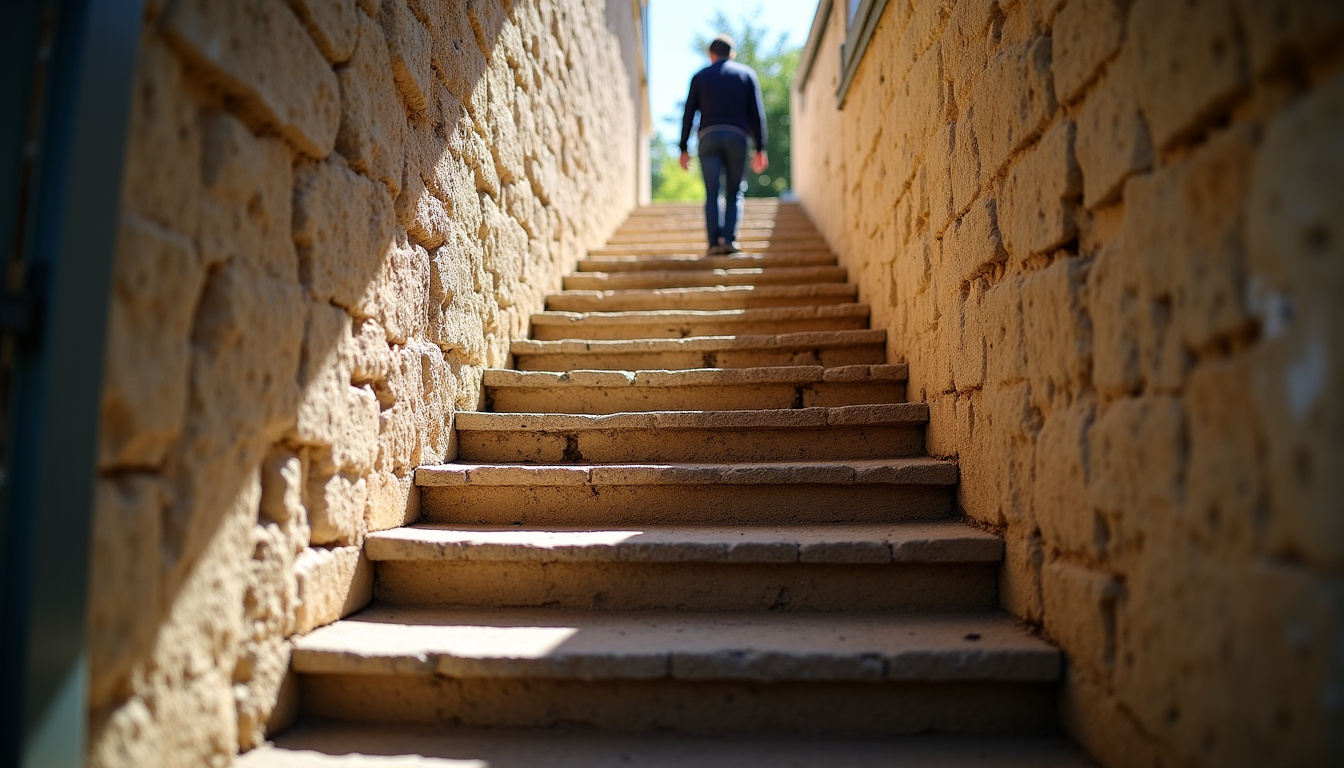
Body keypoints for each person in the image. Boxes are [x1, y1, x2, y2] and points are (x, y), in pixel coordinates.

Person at [679, 34, 769, 255]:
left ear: (711, 55)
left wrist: (683, 148)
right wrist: (760, 148)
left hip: (708, 138)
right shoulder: (746, 74)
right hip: (737, 137)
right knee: (734, 192)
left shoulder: (700, 76)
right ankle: (728, 241)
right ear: (732, 54)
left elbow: (688, 113)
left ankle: (712, 243)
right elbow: (757, 114)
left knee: (712, 193)